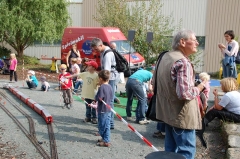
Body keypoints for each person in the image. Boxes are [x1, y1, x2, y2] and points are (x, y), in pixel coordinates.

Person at [155, 30, 206, 159]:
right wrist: (199, 87)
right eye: (194, 40)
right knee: (185, 153)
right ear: (183, 42)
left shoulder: (164, 57)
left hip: (167, 113)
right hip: (182, 116)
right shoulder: (183, 62)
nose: (197, 42)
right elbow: (184, 94)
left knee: (170, 152)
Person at [91, 38, 119, 129]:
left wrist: (101, 83)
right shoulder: (103, 52)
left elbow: (106, 72)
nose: (95, 51)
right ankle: (109, 123)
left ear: (100, 45)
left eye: (96, 49)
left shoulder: (107, 55)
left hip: (110, 79)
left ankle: (109, 123)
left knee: (108, 101)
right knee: (108, 100)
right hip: (108, 78)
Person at [95, 70, 113, 147]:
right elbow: (112, 96)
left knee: (103, 125)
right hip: (108, 108)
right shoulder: (110, 86)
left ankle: (106, 141)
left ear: (101, 79)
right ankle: (105, 138)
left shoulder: (102, 87)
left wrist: (96, 97)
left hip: (102, 109)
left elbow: (99, 98)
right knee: (106, 124)